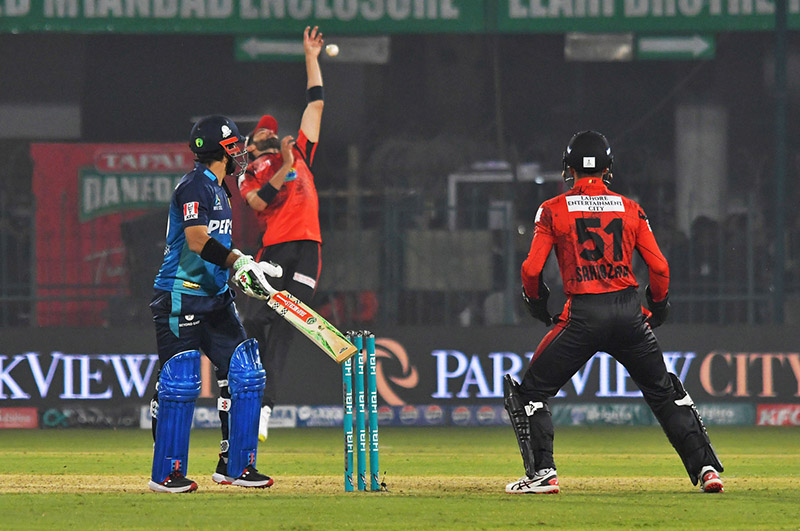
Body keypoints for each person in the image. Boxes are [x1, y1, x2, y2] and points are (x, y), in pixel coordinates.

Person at [504, 131, 724, 495]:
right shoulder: (630, 208)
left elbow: (531, 270)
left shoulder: (552, 209)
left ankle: (543, 474)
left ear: (568, 168)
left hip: (583, 315)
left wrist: (537, 302)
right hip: (629, 314)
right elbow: (660, 267)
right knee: (664, 393)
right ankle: (706, 470)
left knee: (529, 393)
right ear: (608, 169)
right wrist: (658, 305)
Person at [148, 114, 282, 493]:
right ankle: (166, 472)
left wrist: (243, 271)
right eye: (234, 145)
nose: (239, 151)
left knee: (247, 373)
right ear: (220, 149)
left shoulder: (222, 190)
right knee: (181, 380)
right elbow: (196, 241)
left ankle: (237, 466)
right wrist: (238, 260)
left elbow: (218, 247)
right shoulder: (194, 187)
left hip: (217, 299)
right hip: (181, 294)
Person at [237, 26, 325, 442]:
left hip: (308, 247)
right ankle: (252, 395)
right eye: (262, 133)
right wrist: (286, 164)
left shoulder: (300, 152)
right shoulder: (249, 173)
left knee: (291, 323)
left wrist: (311, 56)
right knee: (254, 323)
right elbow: (259, 204)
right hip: (272, 248)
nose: (270, 132)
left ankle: (265, 408)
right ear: (252, 147)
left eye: (273, 130)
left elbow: (316, 104)